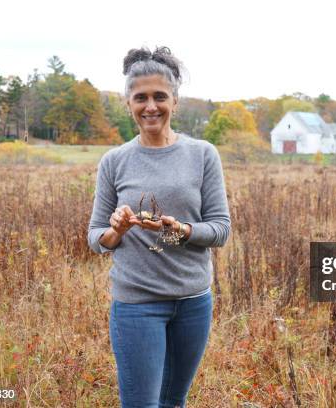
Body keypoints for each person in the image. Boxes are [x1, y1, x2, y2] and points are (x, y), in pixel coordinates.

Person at [87, 46, 231, 408]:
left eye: (159, 97)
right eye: (141, 98)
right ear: (129, 104)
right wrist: (117, 230)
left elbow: (220, 229)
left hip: (193, 303)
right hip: (137, 306)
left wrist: (181, 230)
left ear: (175, 101)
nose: (150, 106)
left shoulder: (202, 154)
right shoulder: (114, 161)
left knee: (173, 402)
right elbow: (95, 239)